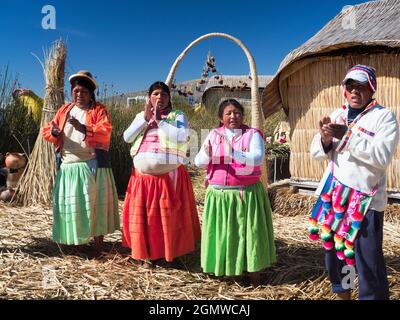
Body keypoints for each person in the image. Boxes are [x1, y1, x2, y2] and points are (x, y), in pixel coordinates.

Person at [309, 65, 399, 300]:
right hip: (335, 197)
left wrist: (347, 136)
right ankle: (345, 294)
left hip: (365, 201)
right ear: (344, 90)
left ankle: (371, 297)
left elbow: (381, 158)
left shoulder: (384, 117)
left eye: (361, 86)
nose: (355, 91)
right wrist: (325, 138)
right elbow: (316, 153)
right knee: (340, 255)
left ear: (372, 90)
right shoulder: (337, 115)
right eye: (350, 86)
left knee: (368, 261)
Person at [194, 99, 276, 285]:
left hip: (245, 194)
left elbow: (256, 158)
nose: (233, 116)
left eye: (237, 112)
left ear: (243, 115)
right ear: (220, 117)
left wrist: (232, 152)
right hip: (220, 196)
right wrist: (207, 153)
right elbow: (198, 162)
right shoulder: (213, 135)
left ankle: (255, 274)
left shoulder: (252, 134)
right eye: (228, 113)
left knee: (250, 234)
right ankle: (229, 273)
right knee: (225, 234)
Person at [122, 81, 200, 267]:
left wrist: (160, 121)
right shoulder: (141, 116)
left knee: (169, 216)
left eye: (164, 94)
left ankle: (170, 253)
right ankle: (147, 253)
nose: (160, 97)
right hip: (143, 179)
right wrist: (145, 119)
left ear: (169, 98)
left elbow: (182, 136)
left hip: (169, 176)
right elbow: (127, 137)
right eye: (156, 94)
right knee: (147, 218)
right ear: (149, 97)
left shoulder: (177, 116)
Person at [42, 70, 119, 256]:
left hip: (91, 164)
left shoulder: (99, 110)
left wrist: (83, 127)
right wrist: (54, 132)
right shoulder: (64, 110)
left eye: (83, 92)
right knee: (74, 207)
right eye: (76, 91)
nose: (79, 95)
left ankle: (98, 247)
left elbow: (105, 130)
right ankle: (77, 245)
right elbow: (49, 129)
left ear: (91, 93)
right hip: (68, 165)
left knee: (95, 205)